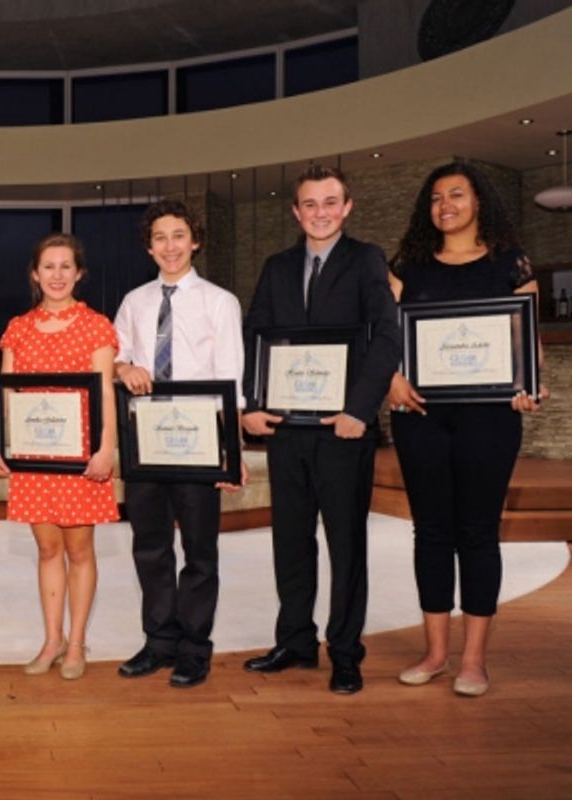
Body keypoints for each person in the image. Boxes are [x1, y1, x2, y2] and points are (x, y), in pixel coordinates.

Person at [387, 161, 546, 697]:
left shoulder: (511, 262)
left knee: (477, 531)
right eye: (435, 197)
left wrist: (531, 383)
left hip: (490, 418)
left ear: (480, 202)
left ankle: (474, 659)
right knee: (430, 530)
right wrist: (390, 379)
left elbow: (528, 343)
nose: (444, 205)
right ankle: (435, 652)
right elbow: (382, 337)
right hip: (420, 416)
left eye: (456, 194)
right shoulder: (407, 265)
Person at [241, 164, 400, 695]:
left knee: (346, 544)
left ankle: (347, 653)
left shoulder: (367, 260)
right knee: (290, 541)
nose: (321, 213)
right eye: (310, 204)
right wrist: (252, 404)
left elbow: (386, 339)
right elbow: (256, 338)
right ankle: (295, 640)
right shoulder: (278, 266)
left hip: (343, 430)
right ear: (295, 211)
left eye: (330, 202)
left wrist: (360, 409)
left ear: (347, 206)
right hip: (286, 430)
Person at [112, 200, 246, 688]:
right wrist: (123, 367)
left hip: (199, 441)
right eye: (160, 237)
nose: (170, 245)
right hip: (144, 438)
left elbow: (231, 377)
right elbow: (115, 355)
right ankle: (158, 642)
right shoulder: (134, 301)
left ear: (195, 241)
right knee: (149, 546)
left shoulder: (220, 302)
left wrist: (230, 453)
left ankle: (194, 648)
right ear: (150, 247)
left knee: (198, 550)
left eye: (179, 235)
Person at [0, 233, 118, 681]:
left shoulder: (97, 325)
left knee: (79, 550)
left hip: (80, 459)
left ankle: (77, 642)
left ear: (78, 273)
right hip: (34, 457)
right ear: (35, 274)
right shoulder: (17, 328)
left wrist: (106, 448)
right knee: (46, 549)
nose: (57, 275)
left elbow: (104, 391)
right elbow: (5, 394)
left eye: (66, 266)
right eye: (48, 266)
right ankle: (51, 639)